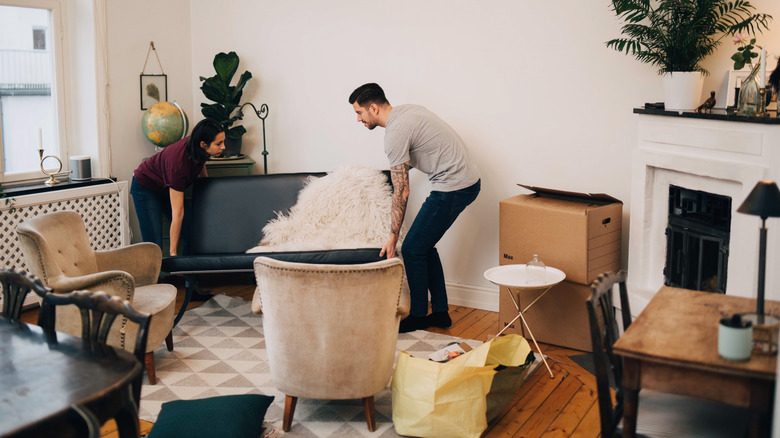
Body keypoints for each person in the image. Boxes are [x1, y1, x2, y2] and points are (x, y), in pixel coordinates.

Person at [348, 83, 481, 333]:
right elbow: (406, 164)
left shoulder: (395, 133)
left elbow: (402, 190)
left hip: (454, 187)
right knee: (424, 247)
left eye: (359, 113)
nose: (358, 119)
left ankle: (419, 316)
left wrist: (392, 236)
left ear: (373, 108)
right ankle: (440, 313)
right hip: (465, 182)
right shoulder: (407, 111)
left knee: (411, 249)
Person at [131, 118, 225, 256]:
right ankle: (156, 277)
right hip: (145, 188)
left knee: (193, 232)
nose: (223, 147)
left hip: (166, 186)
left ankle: (188, 275)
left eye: (223, 141)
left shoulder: (198, 147)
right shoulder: (178, 164)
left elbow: (201, 161)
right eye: (219, 143)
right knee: (153, 243)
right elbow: (178, 214)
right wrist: (173, 253)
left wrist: (205, 181)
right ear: (204, 145)